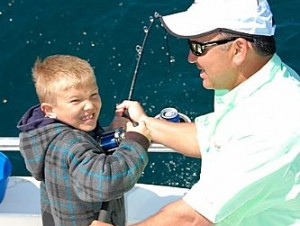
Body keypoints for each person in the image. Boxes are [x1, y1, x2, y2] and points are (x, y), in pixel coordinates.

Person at [90, 0, 300, 225]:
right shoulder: (256, 82)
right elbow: (212, 137)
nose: (191, 58)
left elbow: (192, 219)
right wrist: (145, 124)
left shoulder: (275, 121)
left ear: (238, 49)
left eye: (198, 48)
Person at [17, 54, 151, 226]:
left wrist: (113, 129)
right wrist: (137, 140)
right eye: (75, 100)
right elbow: (109, 182)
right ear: (49, 110)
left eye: (93, 95)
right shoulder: (71, 143)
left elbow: (86, 154)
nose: (90, 105)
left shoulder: (48, 135)